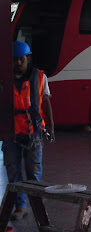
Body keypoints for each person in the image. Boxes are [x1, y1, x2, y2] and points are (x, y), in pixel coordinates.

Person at [2, 41, 54, 221]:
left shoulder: (39, 77)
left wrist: (51, 126)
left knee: (33, 171)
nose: (18, 63)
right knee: (13, 170)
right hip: (11, 132)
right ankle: (20, 206)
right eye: (15, 60)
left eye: (21, 60)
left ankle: (37, 206)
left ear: (28, 58)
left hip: (34, 131)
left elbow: (45, 102)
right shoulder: (4, 79)